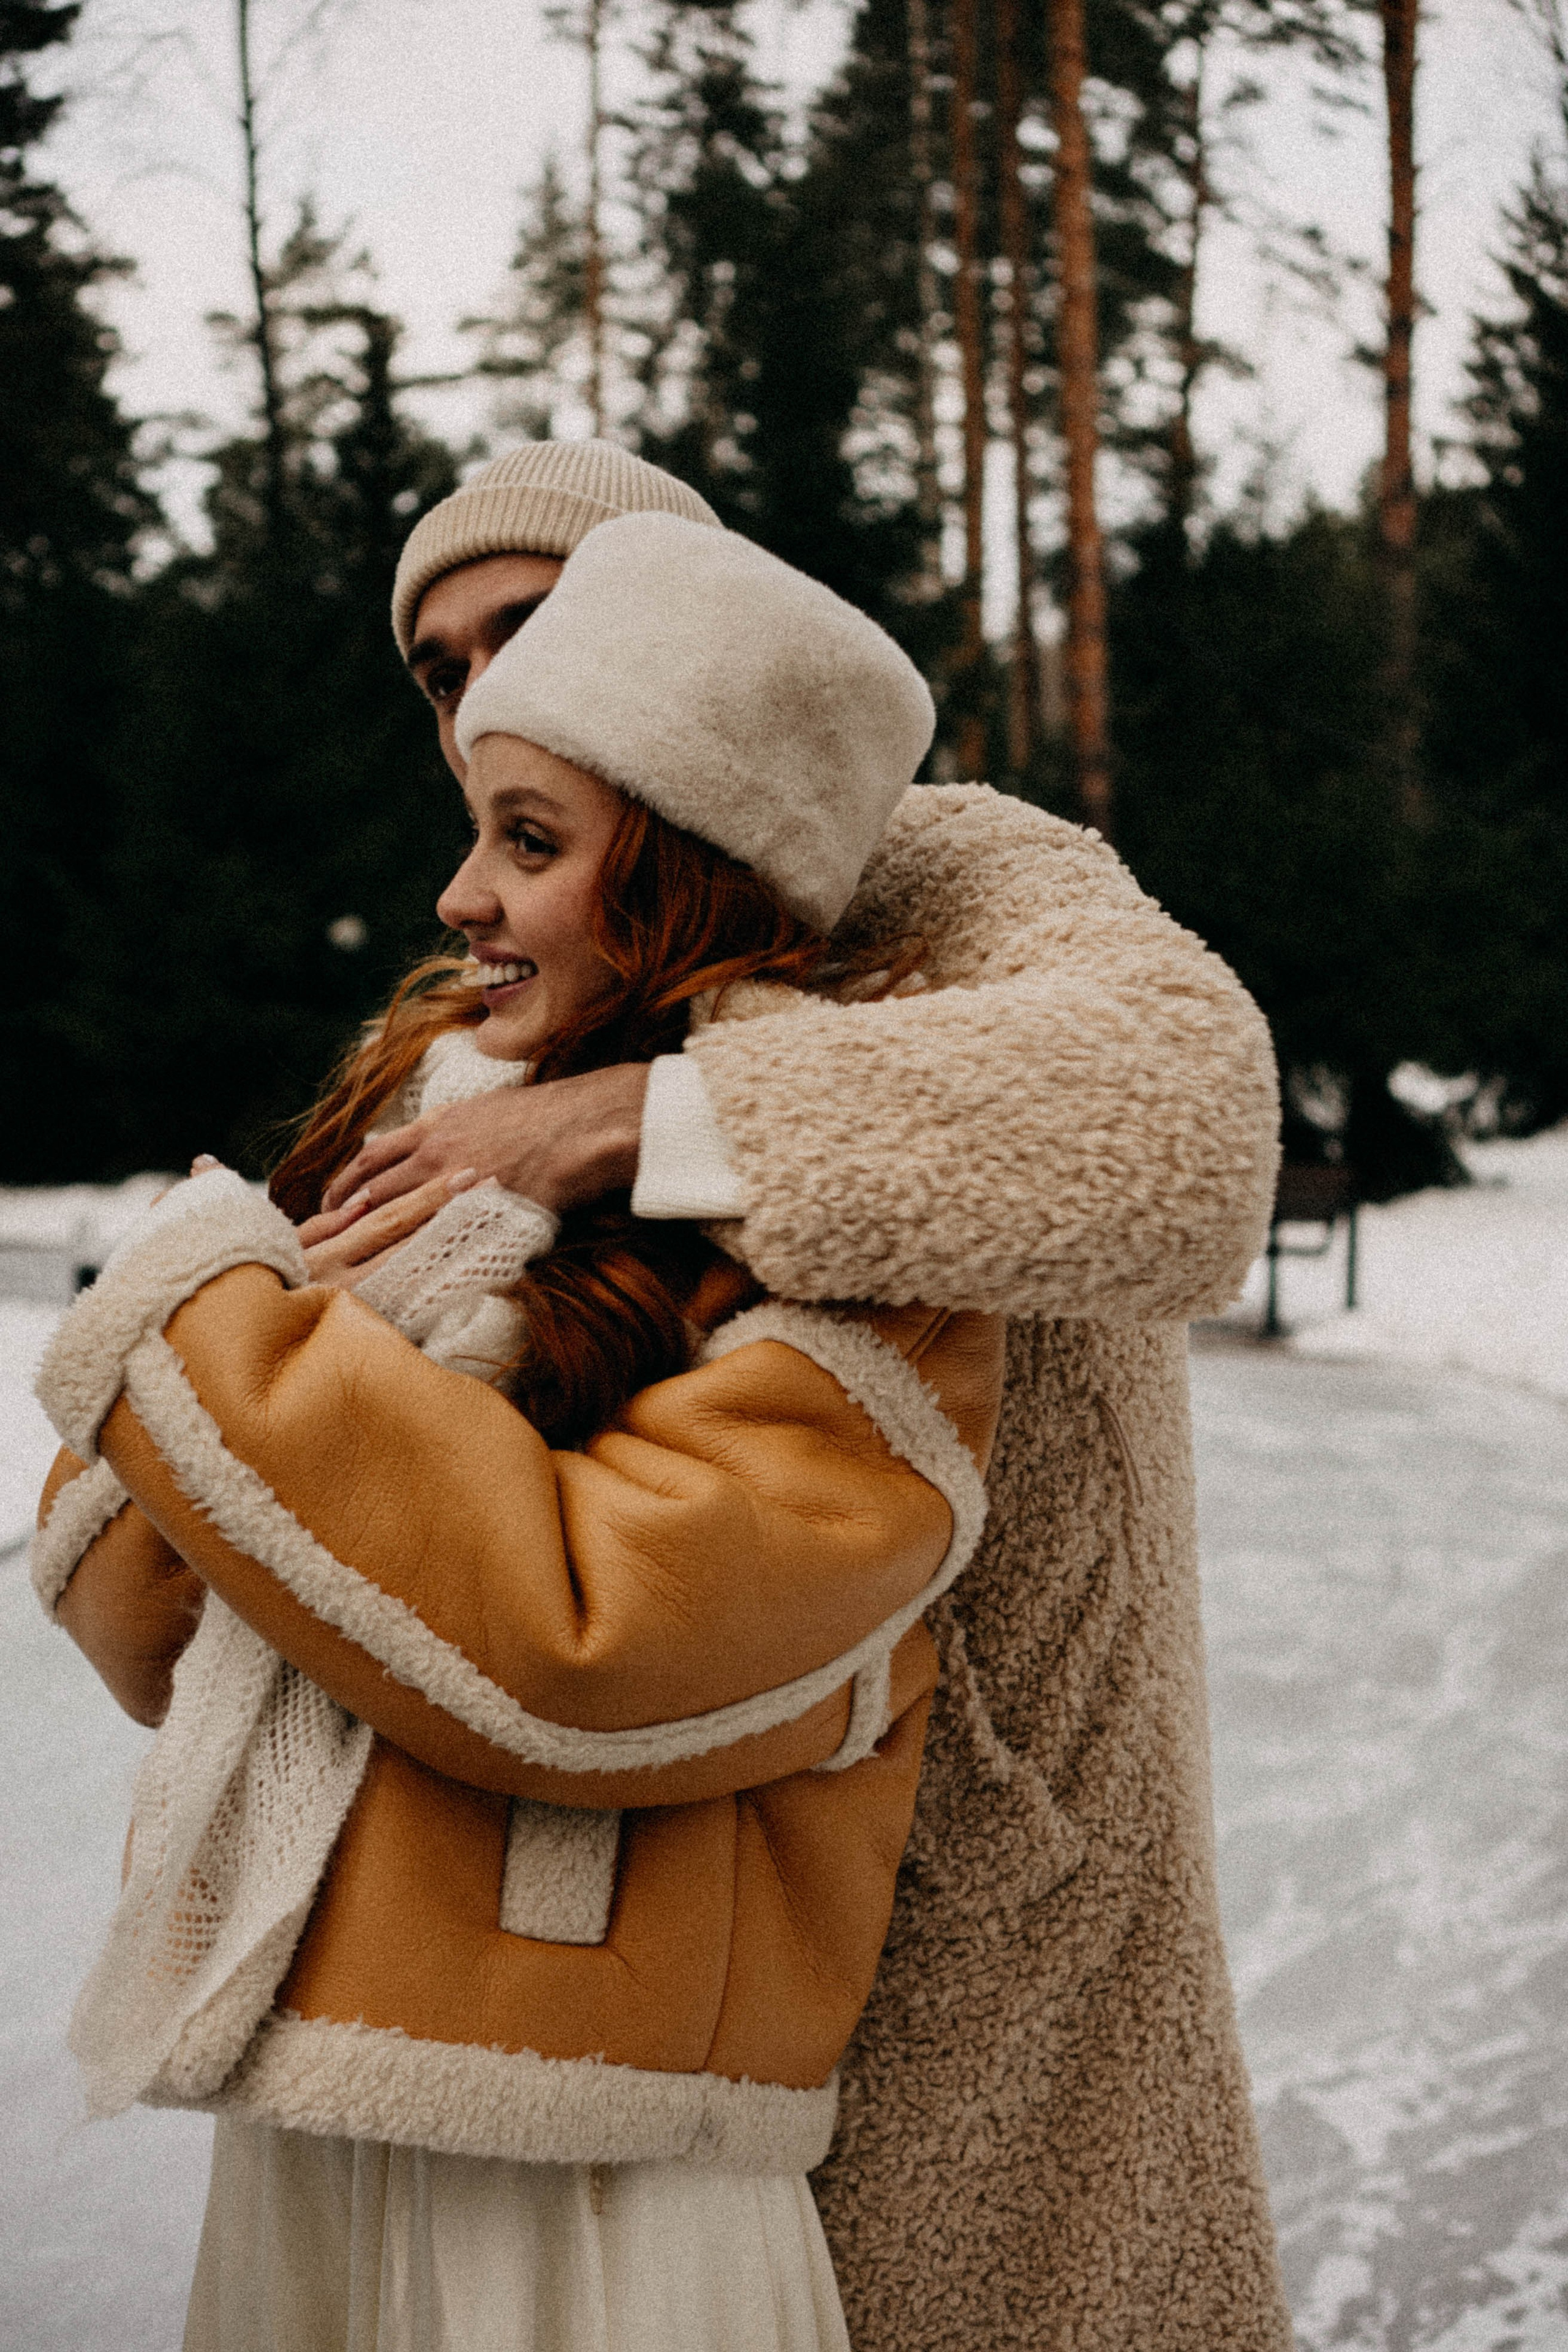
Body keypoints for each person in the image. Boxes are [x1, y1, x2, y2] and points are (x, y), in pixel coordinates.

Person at [39, 440, 1294, 2350]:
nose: (482, 702)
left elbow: (1190, 1133)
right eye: (445, 673)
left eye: (531, 624)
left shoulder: (940, 858)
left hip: (974, 1880)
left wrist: (629, 1123)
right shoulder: (493, 1020)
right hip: (572, 1959)